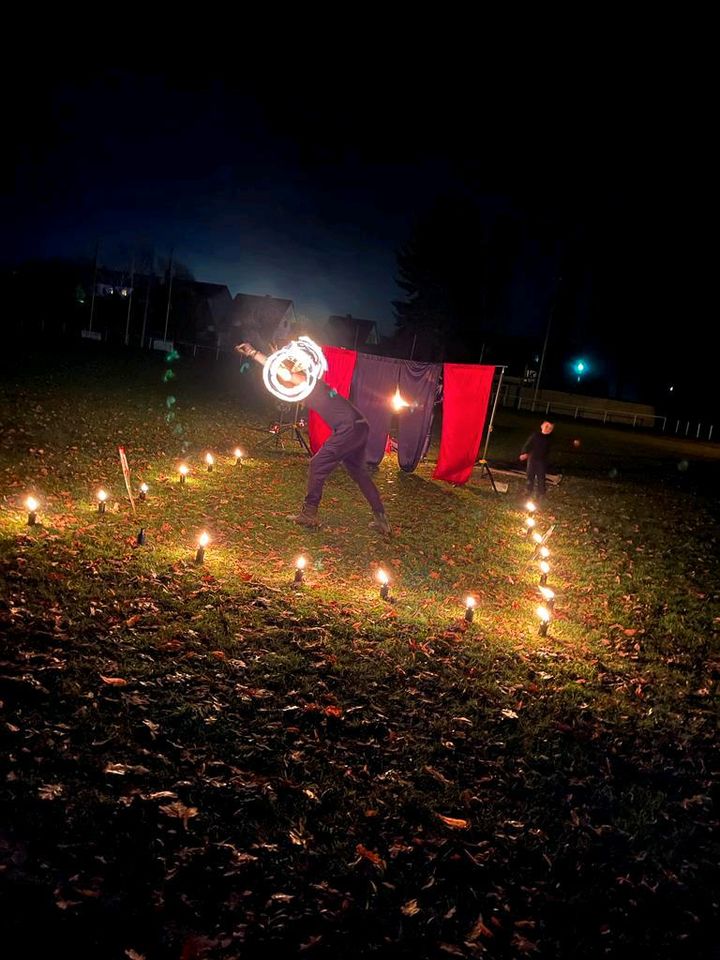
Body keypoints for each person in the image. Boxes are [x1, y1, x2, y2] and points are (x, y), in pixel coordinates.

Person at [236, 342, 391, 534]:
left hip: (349, 428)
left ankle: (309, 514)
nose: (289, 377)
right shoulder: (316, 386)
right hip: (360, 426)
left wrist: (254, 353)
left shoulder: (310, 384)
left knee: (317, 464)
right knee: (359, 473)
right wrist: (274, 359)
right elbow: (283, 371)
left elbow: (284, 373)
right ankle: (381, 519)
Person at [519, 420, 555, 501]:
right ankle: (528, 489)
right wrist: (524, 453)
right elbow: (528, 445)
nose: (548, 429)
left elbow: (548, 450)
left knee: (541, 477)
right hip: (532, 459)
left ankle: (541, 492)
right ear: (542, 426)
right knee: (530, 475)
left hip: (541, 461)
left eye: (550, 428)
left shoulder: (549, 439)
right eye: (546, 426)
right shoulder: (535, 435)